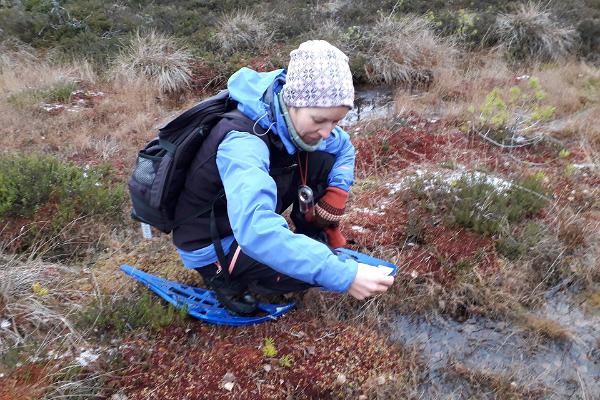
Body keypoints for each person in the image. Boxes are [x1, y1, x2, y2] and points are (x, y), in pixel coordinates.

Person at [173, 40, 394, 315]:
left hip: (238, 216)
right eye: (318, 120)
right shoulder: (242, 142)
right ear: (293, 103)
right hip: (214, 238)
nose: (327, 132)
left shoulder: (290, 119)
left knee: (323, 156)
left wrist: (338, 191)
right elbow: (255, 230)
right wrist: (341, 275)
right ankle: (222, 277)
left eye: (335, 122)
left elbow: (344, 148)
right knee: (301, 275)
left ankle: (309, 234)